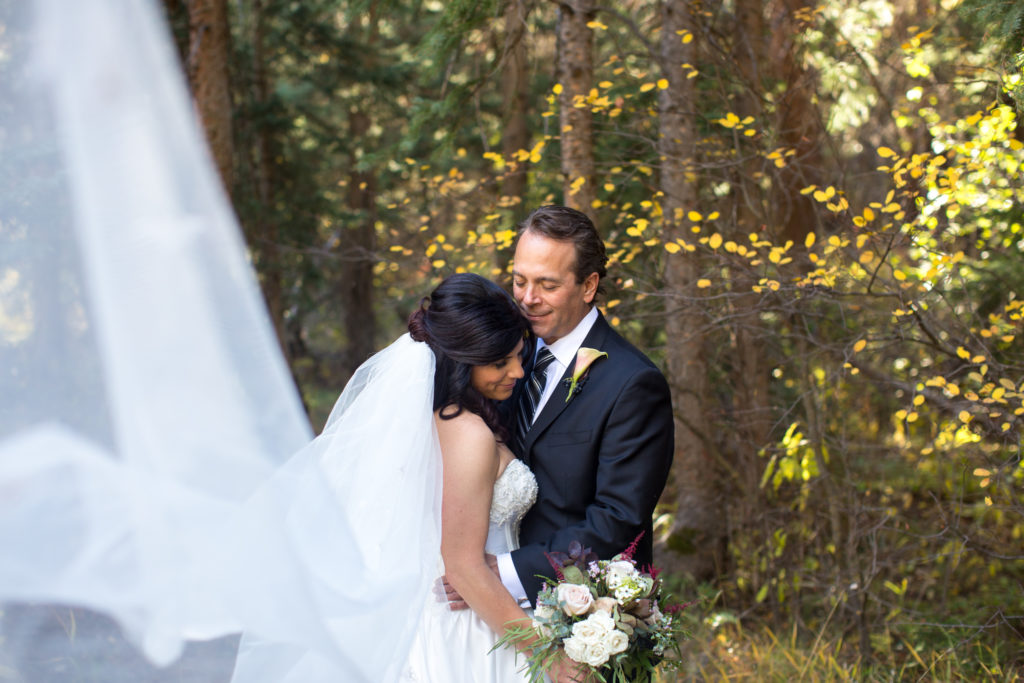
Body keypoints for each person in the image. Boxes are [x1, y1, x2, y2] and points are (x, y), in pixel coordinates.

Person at [492, 205, 676, 609]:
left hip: (577, 614)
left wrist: (503, 573)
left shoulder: (632, 383)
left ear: (589, 286)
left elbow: (617, 520)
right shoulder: (502, 356)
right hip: (484, 608)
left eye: (547, 285)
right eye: (519, 280)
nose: (527, 298)